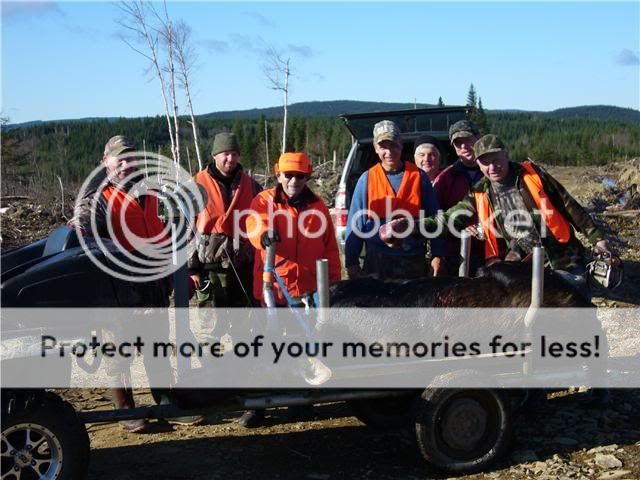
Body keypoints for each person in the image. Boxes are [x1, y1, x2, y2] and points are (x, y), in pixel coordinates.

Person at [70, 135, 204, 432]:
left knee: (156, 347)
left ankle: (165, 403)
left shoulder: (149, 192)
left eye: (131, 158)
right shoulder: (97, 199)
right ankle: (125, 410)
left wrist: (173, 271)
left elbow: (162, 233)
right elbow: (79, 233)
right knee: (118, 354)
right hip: (118, 293)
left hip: (153, 286)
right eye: (119, 159)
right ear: (106, 163)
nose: (126, 164)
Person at [381, 134, 615, 296]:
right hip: (524, 263)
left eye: (496, 160)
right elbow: (448, 219)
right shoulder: (481, 191)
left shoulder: (532, 176)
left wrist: (598, 239)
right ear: (479, 164)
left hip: (562, 256)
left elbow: (568, 205)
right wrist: (410, 225)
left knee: (575, 306)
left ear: (506, 155)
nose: (492, 167)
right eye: (485, 163)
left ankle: (590, 361)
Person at [241, 152, 342, 427]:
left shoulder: (318, 206)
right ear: (278, 175)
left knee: (303, 349)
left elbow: (329, 246)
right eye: (289, 175)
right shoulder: (263, 201)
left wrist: (332, 282)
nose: (294, 181)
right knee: (266, 348)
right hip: (272, 289)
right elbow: (254, 223)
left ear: (307, 176)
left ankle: (300, 402)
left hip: (306, 291)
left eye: (300, 176)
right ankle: (259, 404)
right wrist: (263, 235)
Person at [345, 120, 445, 280]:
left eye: (393, 145)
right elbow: (355, 224)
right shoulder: (367, 179)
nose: (389, 151)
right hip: (377, 261)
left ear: (401, 144)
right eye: (383, 146)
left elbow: (435, 218)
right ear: (376, 149)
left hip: (413, 261)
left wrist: (437, 254)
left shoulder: (419, 177)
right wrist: (351, 262)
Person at [188, 132, 262, 336]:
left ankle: (243, 367)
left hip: (244, 266)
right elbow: (188, 230)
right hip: (210, 269)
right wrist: (191, 268)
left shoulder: (252, 185)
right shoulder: (196, 185)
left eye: (235, 154)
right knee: (211, 329)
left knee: (245, 328)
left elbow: (263, 221)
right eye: (226, 154)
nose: (230, 159)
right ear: (215, 155)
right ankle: (213, 368)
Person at [432, 119, 485, 275]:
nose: (463, 146)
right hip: (457, 254)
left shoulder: (495, 172)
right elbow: (437, 217)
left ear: (478, 138)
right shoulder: (445, 178)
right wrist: (461, 227)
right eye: (458, 143)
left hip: (496, 252)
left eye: (467, 140)